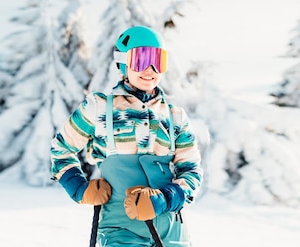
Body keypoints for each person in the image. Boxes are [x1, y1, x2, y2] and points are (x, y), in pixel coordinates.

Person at [50, 25, 203, 247]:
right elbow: (61, 150)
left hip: (171, 231)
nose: (150, 69)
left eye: (157, 60)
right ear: (123, 63)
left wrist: (163, 199)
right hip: (121, 229)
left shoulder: (174, 116)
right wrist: (80, 189)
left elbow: (192, 172)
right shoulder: (99, 108)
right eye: (141, 59)